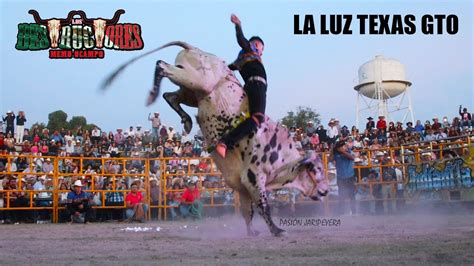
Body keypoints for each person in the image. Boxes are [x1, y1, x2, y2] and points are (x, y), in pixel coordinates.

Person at [216, 14, 267, 158]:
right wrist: (238, 25)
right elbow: (242, 41)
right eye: (262, 48)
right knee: (257, 118)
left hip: (249, 87)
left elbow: (228, 67)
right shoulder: (252, 49)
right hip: (257, 85)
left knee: (245, 117)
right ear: (257, 45)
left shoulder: (240, 59)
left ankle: (230, 140)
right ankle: (226, 142)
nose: (262, 52)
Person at [333, 138, 356, 215]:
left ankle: (354, 212)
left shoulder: (349, 152)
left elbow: (352, 157)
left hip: (349, 176)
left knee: (351, 195)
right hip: (341, 177)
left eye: (342, 146)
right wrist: (332, 149)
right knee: (341, 195)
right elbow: (329, 159)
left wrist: (342, 151)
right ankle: (341, 212)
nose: (342, 147)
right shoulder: (336, 154)